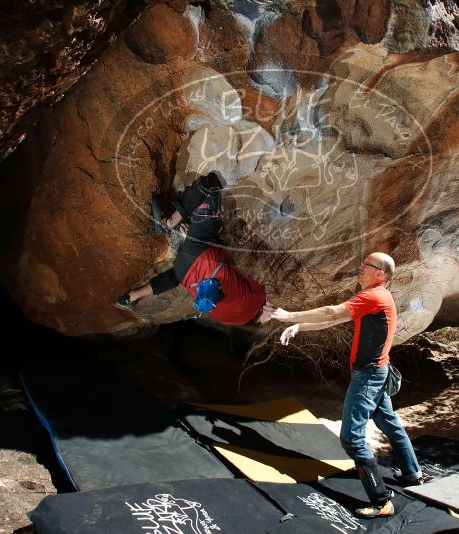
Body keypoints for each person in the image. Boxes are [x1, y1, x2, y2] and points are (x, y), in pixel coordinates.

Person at [268, 252, 423, 518]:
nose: (360, 267)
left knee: (351, 438)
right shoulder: (375, 298)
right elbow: (334, 318)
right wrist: (300, 326)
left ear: (381, 274)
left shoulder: (374, 295)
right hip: (379, 372)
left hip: (368, 376)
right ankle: (412, 473)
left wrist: (288, 315)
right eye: (362, 262)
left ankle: (382, 501)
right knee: (390, 423)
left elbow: (331, 311)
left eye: (367, 265)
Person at [117, 172, 271, 326]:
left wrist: (194, 240)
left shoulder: (258, 298)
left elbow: (244, 272)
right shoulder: (234, 322)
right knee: (175, 277)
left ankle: (169, 223)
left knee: (212, 184)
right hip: (184, 272)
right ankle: (132, 296)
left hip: (201, 250)